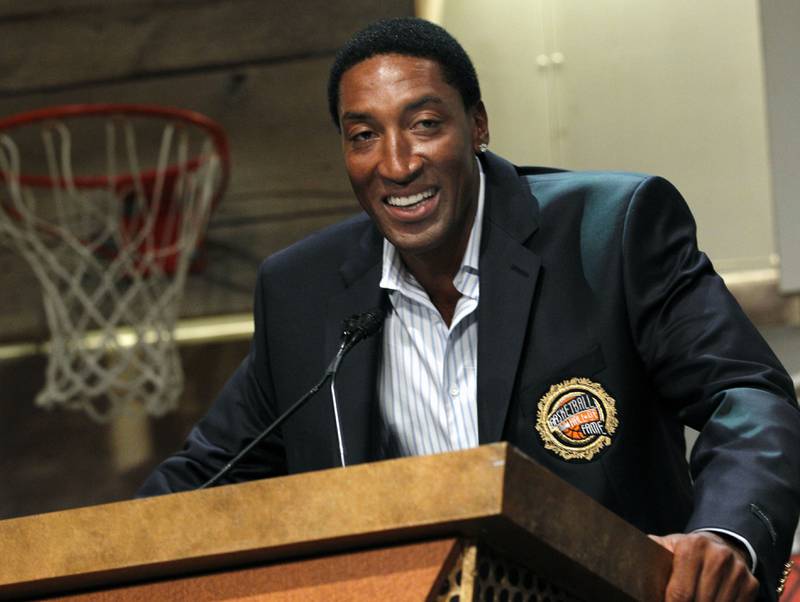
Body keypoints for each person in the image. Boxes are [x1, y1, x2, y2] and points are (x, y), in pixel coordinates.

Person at [139, 17, 800, 602]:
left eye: (424, 124)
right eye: (363, 135)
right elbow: (204, 479)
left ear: (477, 124)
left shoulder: (611, 231)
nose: (396, 163)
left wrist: (725, 537)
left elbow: (744, 395)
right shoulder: (302, 294)